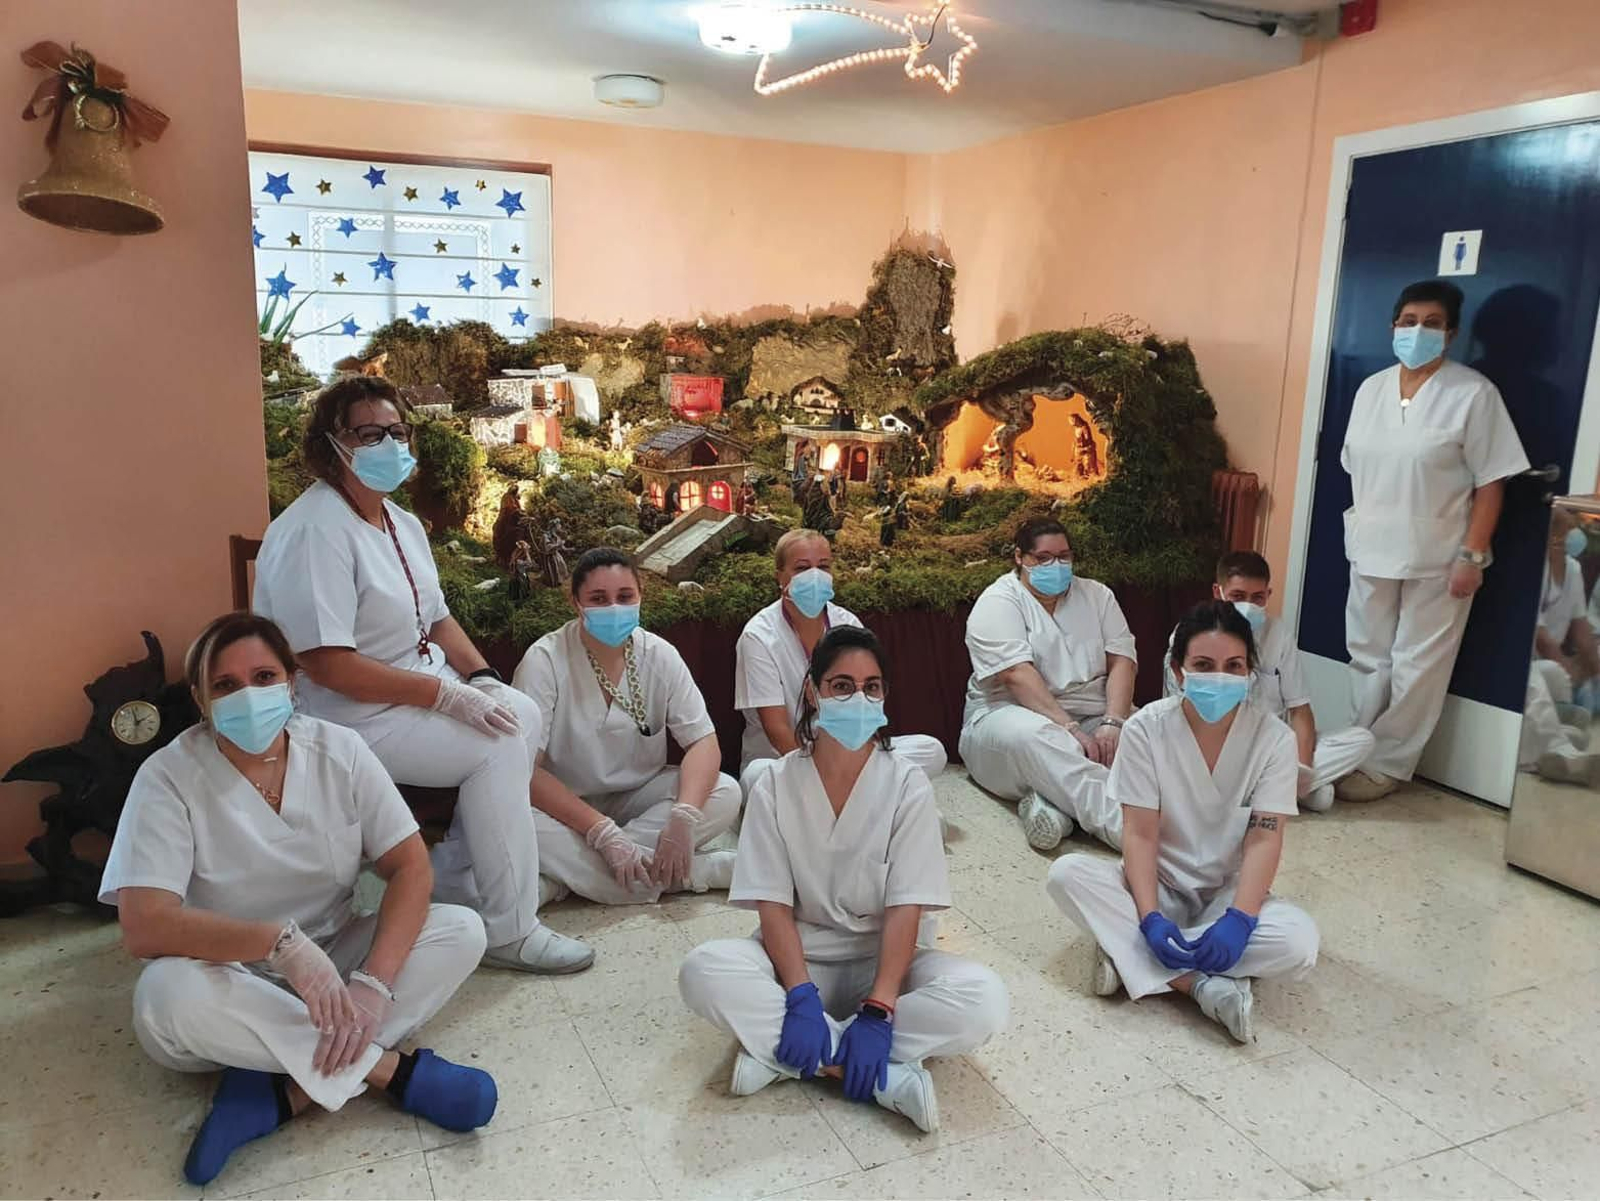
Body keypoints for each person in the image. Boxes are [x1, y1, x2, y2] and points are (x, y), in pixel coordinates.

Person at [100, 614, 496, 1186]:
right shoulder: (167, 777)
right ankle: (391, 1072)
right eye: (226, 685)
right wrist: (277, 945)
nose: (249, 695)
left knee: (461, 930)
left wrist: (374, 984)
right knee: (165, 995)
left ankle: (279, 1093)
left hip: (336, 959)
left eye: (264, 676)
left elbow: (408, 865)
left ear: (292, 682)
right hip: (227, 977)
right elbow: (144, 926)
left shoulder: (340, 751)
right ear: (200, 700)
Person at [253, 375, 592, 974]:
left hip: (414, 689)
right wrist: (443, 696)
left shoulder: (400, 523)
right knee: (501, 741)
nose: (389, 444)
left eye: (398, 431)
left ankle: (462, 871)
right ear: (332, 443)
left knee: (522, 711)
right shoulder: (313, 530)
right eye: (370, 433)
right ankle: (511, 929)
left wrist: (483, 677)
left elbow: (437, 617)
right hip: (349, 713)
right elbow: (327, 663)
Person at [679, 627, 1008, 1132]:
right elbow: (772, 906)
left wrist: (878, 1010)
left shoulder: (907, 784)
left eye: (871, 686)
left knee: (984, 1001)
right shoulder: (775, 783)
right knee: (702, 970)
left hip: (886, 966)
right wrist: (800, 996)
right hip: (796, 962)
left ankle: (788, 1059)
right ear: (813, 691)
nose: (859, 698)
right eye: (842, 685)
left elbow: (906, 907)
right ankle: (885, 1080)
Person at [1046, 601, 1319, 1044]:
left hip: (1226, 897)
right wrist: (1151, 915)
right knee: (1066, 875)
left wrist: (1242, 918)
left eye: (1234, 665)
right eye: (1204, 665)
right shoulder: (1145, 730)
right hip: (1156, 887)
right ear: (1177, 671)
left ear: (1251, 671)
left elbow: (1265, 838)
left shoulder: (1274, 740)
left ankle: (1128, 955)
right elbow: (1140, 832)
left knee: (1298, 946)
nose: (1220, 677)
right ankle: (1197, 984)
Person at [1336, 280, 1529, 801]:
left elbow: (1493, 482)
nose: (1417, 331)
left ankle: (1389, 764)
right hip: (1372, 544)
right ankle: (1357, 747)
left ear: (1451, 333)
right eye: (1408, 320)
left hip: (1440, 554)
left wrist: (1472, 553)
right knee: (1367, 655)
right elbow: (1358, 466)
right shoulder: (1371, 390)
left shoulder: (1472, 393)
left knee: (1418, 661)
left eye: (1432, 323)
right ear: (1393, 325)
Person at [512, 548, 740, 904]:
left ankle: (567, 880)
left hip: (638, 795)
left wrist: (682, 817)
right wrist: (601, 832)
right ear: (576, 604)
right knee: (513, 818)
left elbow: (703, 742)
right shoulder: (544, 661)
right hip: (564, 807)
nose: (613, 608)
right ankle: (693, 873)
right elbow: (524, 771)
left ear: (640, 597)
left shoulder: (659, 654)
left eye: (624, 597)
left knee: (725, 791)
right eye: (598, 599)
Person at [958, 518, 1136, 851]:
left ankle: (1052, 806)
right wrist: (1069, 728)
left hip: (1093, 710)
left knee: (1144, 733)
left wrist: (1114, 723)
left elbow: (1122, 660)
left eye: (1064, 556)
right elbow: (1016, 675)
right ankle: (1128, 831)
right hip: (1007, 714)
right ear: (1019, 557)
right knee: (1050, 742)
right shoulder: (998, 600)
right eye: (1043, 558)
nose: (1056, 565)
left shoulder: (1098, 595)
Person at [734, 529, 947, 792]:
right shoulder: (759, 635)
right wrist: (819, 774)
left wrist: (856, 759)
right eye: (802, 568)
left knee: (931, 751)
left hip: (848, 754)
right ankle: (863, 797)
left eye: (823, 567)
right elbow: (776, 729)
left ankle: (856, 795)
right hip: (786, 760)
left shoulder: (847, 623)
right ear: (780, 576)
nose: (814, 576)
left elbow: (868, 702)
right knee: (758, 777)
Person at [1164, 552, 1374, 812]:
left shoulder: (1279, 636)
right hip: (1213, 748)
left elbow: (1300, 710)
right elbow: (1176, 711)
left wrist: (1303, 770)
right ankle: (1285, 793)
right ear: (1218, 592)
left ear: (1268, 595)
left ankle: (1281, 788)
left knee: (1360, 740)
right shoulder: (1191, 634)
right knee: (1321, 798)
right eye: (1238, 596)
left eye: (1257, 598)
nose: (1248, 605)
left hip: (1272, 745)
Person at [1522, 511, 1600, 783]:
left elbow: (1581, 627)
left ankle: (1557, 734)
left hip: (1548, 664)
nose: (1567, 537)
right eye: (1560, 530)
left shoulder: (1573, 570)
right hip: (1526, 661)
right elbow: (1541, 636)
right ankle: (1560, 750)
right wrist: (1569, 667)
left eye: (1568, 530)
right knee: (1543, 675)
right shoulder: (1530, 567)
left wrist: (1594, 667)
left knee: (1553, 674)